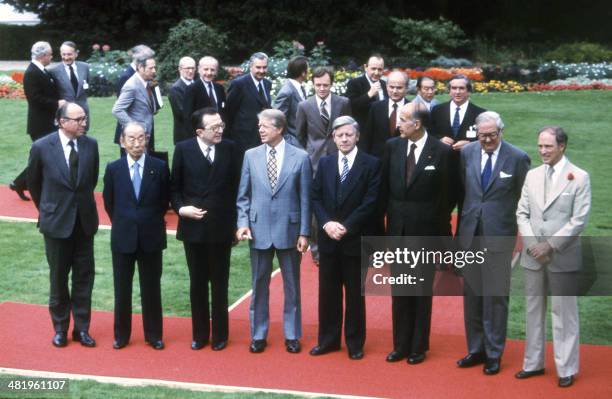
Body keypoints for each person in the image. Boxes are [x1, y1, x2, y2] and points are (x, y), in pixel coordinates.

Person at [515, 126, 591, 388]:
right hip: (533, 256)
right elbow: (522, 213)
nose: (542, 151)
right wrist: (534, 244)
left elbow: (578, 221)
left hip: (562, 256)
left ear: (562, 146)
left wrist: (550, 245)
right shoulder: (532, 175)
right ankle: (533, 364)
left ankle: (566, 368)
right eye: (540, 146)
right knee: (533, 311)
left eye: (548, 146)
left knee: (564, 312)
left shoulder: (579, 177)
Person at [455, 111, 530, 375]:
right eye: (482, 135)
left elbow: (525, 199)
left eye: (492, 135)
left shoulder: (518, 158)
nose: (487, 140)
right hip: (470, 233)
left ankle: (494, 353)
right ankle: (475, 349)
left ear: (501, 132)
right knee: (472, 294)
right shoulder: (467, 153)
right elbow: (465, 192)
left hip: (500, 235)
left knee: (495, 296)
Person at [236, 109, 311, 354]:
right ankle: (258, 335)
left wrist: (304, 233)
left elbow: (305, 199)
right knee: (258, 285)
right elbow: (243, 196)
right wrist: (242, 223)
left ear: (279, 128)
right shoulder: (250, 155)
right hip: (257, 231)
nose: (260, 129)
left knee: (292, 286)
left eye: (265, 126)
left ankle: (292, 334)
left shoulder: (300, 157)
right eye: (259, 125)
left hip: (289, 232)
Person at [380, 102, 450, 365]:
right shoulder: (392, 147)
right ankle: (400, 345)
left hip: (426, 232)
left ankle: (418, 346)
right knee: (400, 290)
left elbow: (445, 199)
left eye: (403, 119)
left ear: (417, 124)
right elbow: (383, 191)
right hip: (397, 230)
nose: (398, 123)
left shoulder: (441, 151)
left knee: (420, 291)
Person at [27, 102, 99, 348]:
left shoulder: (91, 145)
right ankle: (60, 328)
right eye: (78, 120)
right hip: (56, 224)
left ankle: (82, 329)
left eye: (84, 118)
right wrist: (50, 210)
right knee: (58, 278)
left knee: (84, 278)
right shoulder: (41, 147)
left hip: (84, 223)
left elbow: (90, 181)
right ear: (62, 121)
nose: (84, 123)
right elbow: (34, 184)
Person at [310, 116, 381, 360]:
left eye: (348, 135)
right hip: (329, 239)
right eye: (339, 135)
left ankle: (354, 343)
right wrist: (327, 224)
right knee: (328, 294)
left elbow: (371, 202)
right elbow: (316, 197)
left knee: (354, 295)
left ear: (357, 136)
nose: (344, 139)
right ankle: (328, 341)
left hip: (355, 240)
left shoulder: (371, 164)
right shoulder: (326, 162)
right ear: (333, 137)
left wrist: (346, 226)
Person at [171, 108, 241, 351]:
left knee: (220, 283)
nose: (220, 130)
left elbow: (236, 189)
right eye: (214, 127)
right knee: (197, 282)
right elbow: (175, 189)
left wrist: (236, 226)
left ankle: (220, 335)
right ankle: (200, 334)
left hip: (221, 227)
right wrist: (182, 210)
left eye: (221, 125)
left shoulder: (230, 148)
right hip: (194, 228)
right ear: (200, 132)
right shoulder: (183, 149)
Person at [102, 122, 169, 350]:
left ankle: (154, 335)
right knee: (122, 289)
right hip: (123, 237)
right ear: (122, 141)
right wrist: (126, 223)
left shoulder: (159, 167)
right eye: (131, 138)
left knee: (151, 288)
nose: (136, 143)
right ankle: (121, 335)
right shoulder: (114, 169)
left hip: (151, 237)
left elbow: (163, 201)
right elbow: (109, 203)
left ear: (147, 139)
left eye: (141, 138)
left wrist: (145, 221)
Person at [430, 74, 487, 235]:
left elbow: (488, 140)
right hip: (443, 171)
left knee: (467, 215)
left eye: (462, 88)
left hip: (469, 172)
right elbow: (428, 135)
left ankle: (462, 253)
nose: (457, 91)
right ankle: (444, 251)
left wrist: (471, 144)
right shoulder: (437, 110)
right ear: (449, 91)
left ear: (469, 91)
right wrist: (439, 139)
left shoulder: (480, 114)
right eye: (454, 88)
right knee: (440, 213)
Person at [10, 41, 62, 201]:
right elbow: (35, 99)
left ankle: (20, 183)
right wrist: (57, 103)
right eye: (50, 54)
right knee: (44, 158)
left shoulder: (42, 71)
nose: (52, 57)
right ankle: (19, 183)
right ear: (44, 55)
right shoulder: (32, 73)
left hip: (48, 123)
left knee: (47, 158)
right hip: (40, 125)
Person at [296, 66, 351, 175]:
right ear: (313, 84)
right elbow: (300, 135)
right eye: (318, 85)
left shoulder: (343, 103)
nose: (322, 88)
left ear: (332, 84)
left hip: (338, 157)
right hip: (314, 160)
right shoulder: (304, 106)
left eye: (325, 85)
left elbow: (349, 130)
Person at [226, 52, 272, 153]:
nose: (262, 71)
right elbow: (229, 112)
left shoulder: (267, 84)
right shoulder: (239, 84)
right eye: (258, 67)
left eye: (264, 67)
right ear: (251, 67)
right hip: (242, 140)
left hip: (262, 138)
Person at [112, 53, 160, 151]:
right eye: (150, 68)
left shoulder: (146, 82)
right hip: (135, 140)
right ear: (140, 68)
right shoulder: (131, 86)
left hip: (145, 136)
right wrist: (134, 128)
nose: (154, 71)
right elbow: (117, 110)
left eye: (154, 68)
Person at [362, 70, 408, 157]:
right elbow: (368, 136)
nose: (395, 91)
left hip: (402, 159)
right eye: (391, 87)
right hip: (378, 159)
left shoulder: (412, 108)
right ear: (386, 86)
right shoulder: (376, 107)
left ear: (406, 88)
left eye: (399, 88)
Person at [48, 41, 91, 130]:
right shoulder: (54, 71)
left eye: (69, 54)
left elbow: (87, 86)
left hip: (83, 112)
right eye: (63, 54)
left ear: (76, 54)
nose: (66, 57)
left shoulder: (84, 67)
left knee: (83, 139)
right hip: (66, 114)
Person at [183, 56, 227, 133]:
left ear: (216, 71)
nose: (209, 73)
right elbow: (188, 117)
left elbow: (223, 111)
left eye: (212, 70)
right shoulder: (192, 89)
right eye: (206, 69)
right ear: (199, 69)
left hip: (219, 132)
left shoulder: (219, 88)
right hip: (202, 134)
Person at [273, 55, 309, 146]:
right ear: (303, 73)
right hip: (293, 143)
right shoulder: (286, 92)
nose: (309, 71)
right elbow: (277, 120)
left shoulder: (300, 88)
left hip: (302, 140)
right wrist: (289, 142)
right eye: (308, 69)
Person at [345, 54, 387, 131]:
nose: (376, 72)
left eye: (380, 69)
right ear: (365, 67)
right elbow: (350, 106)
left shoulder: (384, 84)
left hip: (381, 131)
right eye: (373, 69)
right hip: (362, 131)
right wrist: (369, 94)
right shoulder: (355, 83)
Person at [168, 56, 195, 144]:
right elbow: (182, 113)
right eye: (187, 68)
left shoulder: (197, 85)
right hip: (184, 135)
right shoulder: (176, 89)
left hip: (197, 133)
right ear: (180, 69)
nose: (190, 71)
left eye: (192, 68)